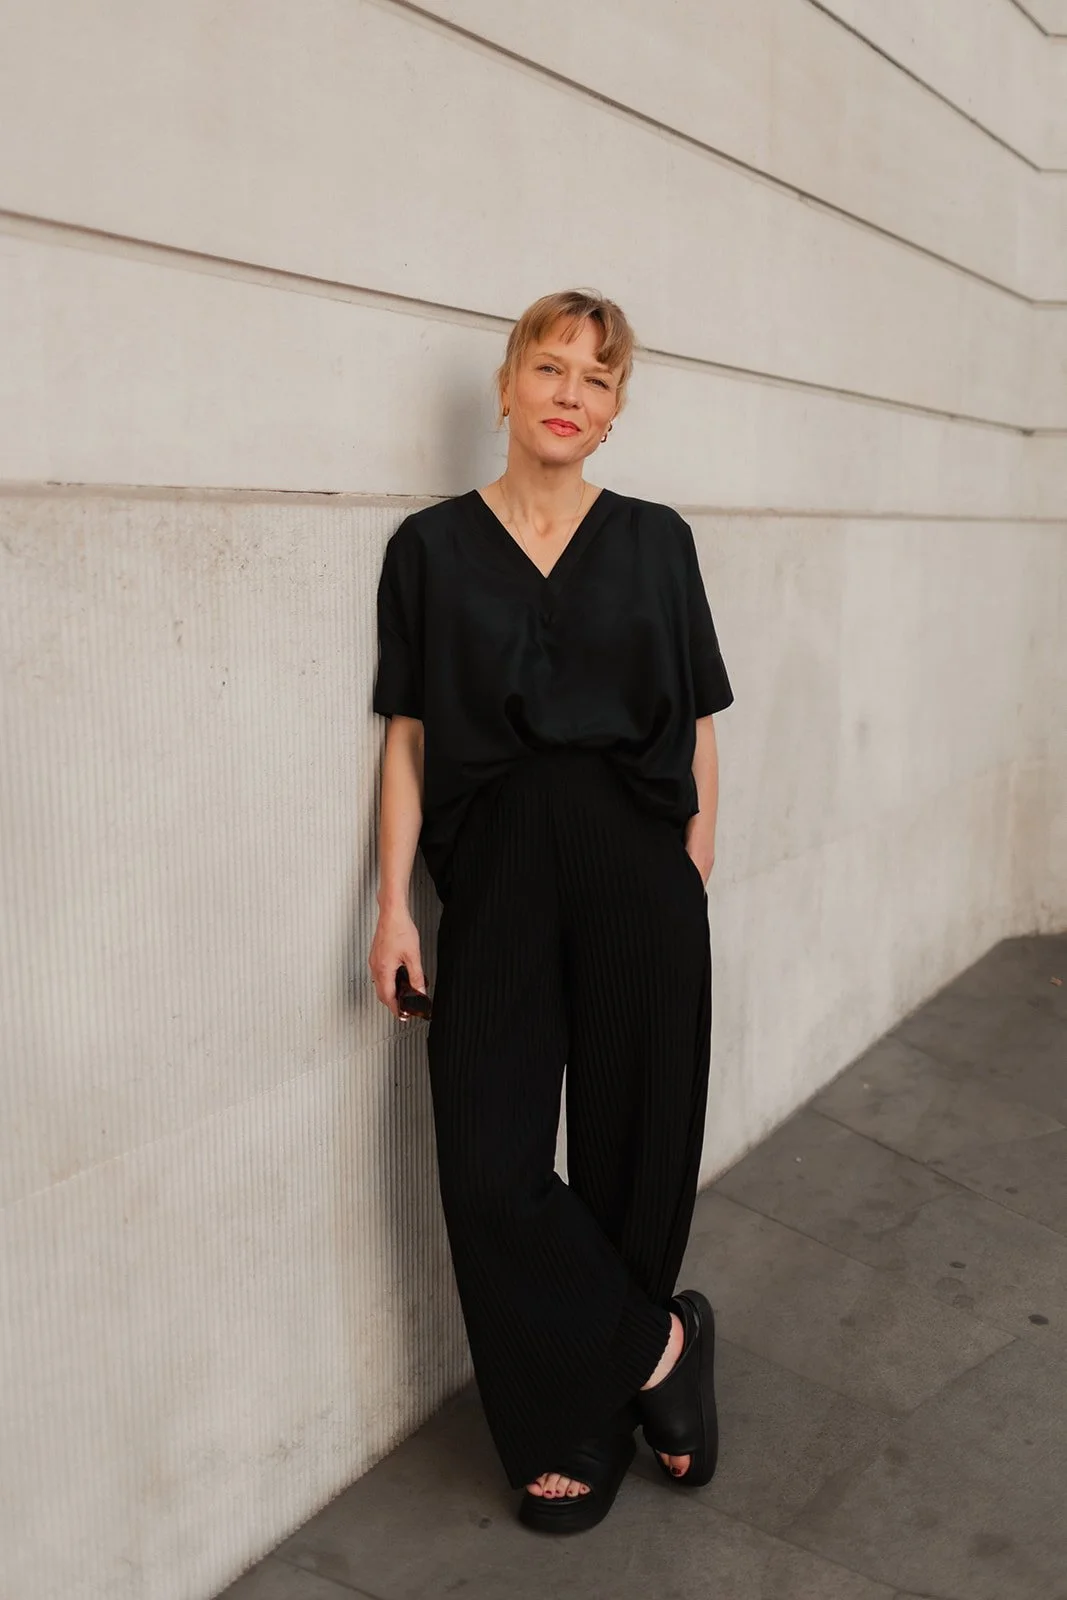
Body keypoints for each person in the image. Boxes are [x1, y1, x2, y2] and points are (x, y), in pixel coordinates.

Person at [368, 288, 734, 1534]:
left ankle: (574, 1422)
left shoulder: (654, 539)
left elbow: (695, 727)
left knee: (637, 1149)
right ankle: (658, 1352)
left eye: (597, 375)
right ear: (506, 385)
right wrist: (393, 908)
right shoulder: (427, 548)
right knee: (489, 1164)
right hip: (499, 872)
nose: (570, 391)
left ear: (615, 410)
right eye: (549, 364)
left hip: (636, 866)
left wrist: (690, 869)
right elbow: (410, 739)